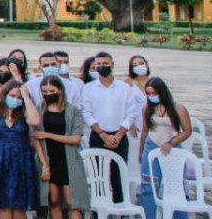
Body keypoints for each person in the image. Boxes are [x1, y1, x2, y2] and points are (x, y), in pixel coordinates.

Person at [0, 81, 42, 217]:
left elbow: (35, 121)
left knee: (19, 207)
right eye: (12, 95)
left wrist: (25, 96)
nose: (15, 99)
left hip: (21, 162)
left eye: (19, 98)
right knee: (3, 205)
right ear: (5, 95)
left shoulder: (24, 112)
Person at [81, 51, 136, 202]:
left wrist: (118, 136)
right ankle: (100, 209)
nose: (102, 66)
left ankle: (120, 209)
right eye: (98, 64)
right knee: (99, 176)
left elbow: (131, 114)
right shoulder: (88, 89)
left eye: (105, 63)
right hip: (98, 136)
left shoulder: (125, 88)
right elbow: (87, 114)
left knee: (118, 176)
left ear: (112, 64)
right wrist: (103, 135)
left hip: (120, 137)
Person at [137, 76, 192, 219]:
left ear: (162, 92)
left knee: (175, 186)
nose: (151, 96)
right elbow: (144, 130)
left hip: (172, 148)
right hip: (152, 146)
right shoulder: (147, 108)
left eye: (154, 93)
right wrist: (141, 150)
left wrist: (172, 142)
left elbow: (187, 130)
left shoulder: (178, 108)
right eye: (148, 94)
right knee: (148, 186)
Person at [34, 76, 88, 219]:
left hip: (68, 159)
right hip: (49, 158)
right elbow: (35, 136)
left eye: (51, 91)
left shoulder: (73, 111)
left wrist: (48, 135)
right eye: (44, 91)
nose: (48, 94)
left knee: (72, 202)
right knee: (54, 201)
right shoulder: (39, 109)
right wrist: (44, 163)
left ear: (59, 90)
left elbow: (75, 139)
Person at [124, 55, 150, 134]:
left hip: (151, 121)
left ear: (147, 65)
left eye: (141, 63)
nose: (139, 66)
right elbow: (123, 105)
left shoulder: (154, 81)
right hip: (135, 122)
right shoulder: (129, 82)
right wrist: (131, 124)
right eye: (135, 65)